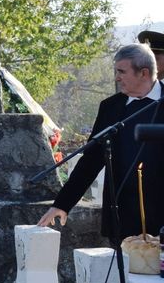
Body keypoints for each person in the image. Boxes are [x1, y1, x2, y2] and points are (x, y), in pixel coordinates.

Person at [38, 43, 164, 242]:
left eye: (122, 71)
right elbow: (91, 160)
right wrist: (62, 204)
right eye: (116, 71)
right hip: (122, 218)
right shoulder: (110, 108)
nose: (117, 77)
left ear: (144, 73)